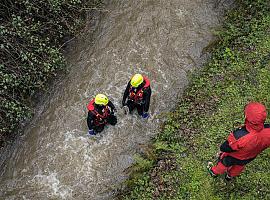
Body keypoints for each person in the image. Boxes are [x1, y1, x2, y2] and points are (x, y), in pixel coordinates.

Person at [207, 102, 270, 181]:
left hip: (234, 156)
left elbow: (226, 147)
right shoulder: (268, 130)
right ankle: (230, 176)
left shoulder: (239, 136)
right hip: (250, 157)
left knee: (224, 163)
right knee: (239, 166)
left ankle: (214, 172)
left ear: (247, 118)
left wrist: (221, 150)